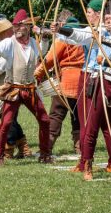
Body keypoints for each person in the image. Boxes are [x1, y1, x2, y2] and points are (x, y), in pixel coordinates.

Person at [53, 0, 111, 180]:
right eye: (107, 19)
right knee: (90, 124)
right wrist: (61, 29)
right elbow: (77, 35)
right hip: (96, 80)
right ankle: (87, 164)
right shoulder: (96, 32)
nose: (109, 22)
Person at [0, 11, 53, 165]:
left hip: (30, 90)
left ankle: (45, 154)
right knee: (6, 122)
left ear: (27, 26)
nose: (17, 29)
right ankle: (0, 156)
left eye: (20, 26)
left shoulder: (33, 44)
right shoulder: (10, 42)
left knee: (45, 120)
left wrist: (44, 35)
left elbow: (42, 51)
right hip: (14, 90)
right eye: (15, 26)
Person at [33, 11, 85, 155]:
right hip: (83, 82)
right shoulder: (85, 38)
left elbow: (49, 59)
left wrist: (37, 74)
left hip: (66, 82)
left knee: (56, 114)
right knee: (78, 116)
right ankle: (80, 148)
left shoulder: (64, 38)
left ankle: (46, 147)